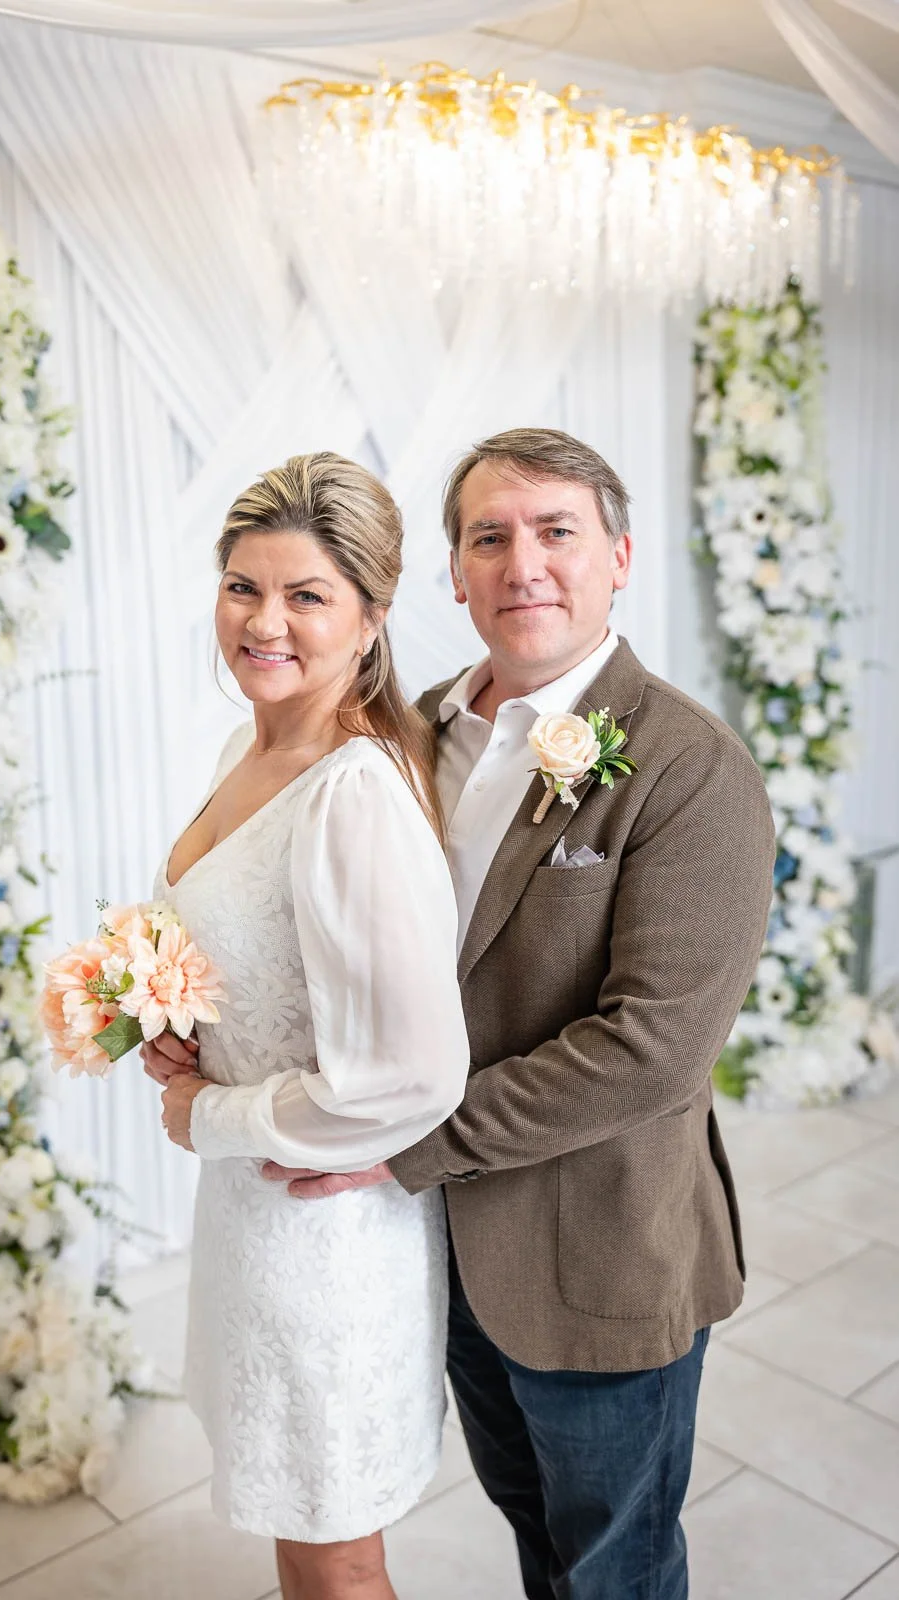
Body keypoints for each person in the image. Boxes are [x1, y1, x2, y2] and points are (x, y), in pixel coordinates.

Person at [250, 429, 777, 1599]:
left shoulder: (689, 766)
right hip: (447, 1255)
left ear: (618, 556)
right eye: (488, 536)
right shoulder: (410, 730)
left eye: (556, 532)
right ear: (452, 572)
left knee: (613, 1567)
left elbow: (650, 1048)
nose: (521, 563)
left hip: (599, 1250)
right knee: (533, 1533)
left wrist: (407, 1144)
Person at [142, 452, 470, 1600]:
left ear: (372, 618)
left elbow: (410, 1076)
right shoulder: (252, 741)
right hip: (256, 1209)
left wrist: (204, 1109)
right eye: (243, 586)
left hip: (326, 1236)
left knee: (336, 1560)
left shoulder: (355, 794)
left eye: (306, 595)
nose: (263, 621)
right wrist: (183, 1024)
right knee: (296, 1534)